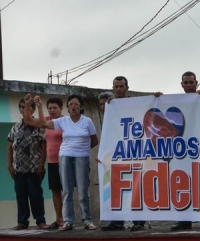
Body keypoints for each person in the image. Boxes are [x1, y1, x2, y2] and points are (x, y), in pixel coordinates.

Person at [24, 94, 98, 231]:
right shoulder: (63, 121)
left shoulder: (87, 121)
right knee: (67, 191)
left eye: (76, 104)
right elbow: (42, 123)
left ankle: (87, 220)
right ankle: (68, 221)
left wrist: (82, 149)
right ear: (68, 108)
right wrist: (39, 106)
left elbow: (94, 140)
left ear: (81, 107)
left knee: (82, 191)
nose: (73, 106)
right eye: (71, 104)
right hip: (64, 156)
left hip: (81, 157)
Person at [170, 71, 200, 231]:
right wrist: (157, 98)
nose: (189, 85)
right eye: (186, 83)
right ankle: (184, 220)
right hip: (183, 152)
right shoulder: (176, 102)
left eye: (191, 82)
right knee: (184, 184)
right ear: (181, 84)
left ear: (197, 83)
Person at [101, 76, 146, 231]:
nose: (119, 89)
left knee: (135, 186)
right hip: (116, 152)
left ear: (127, 87)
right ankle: (117, 221)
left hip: (134, 151)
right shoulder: (111, 105)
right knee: (117, 186)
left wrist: (157, 98)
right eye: (116, 86)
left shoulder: (135, 104)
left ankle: (138, 221)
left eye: (121, 86)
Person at [7, 98, 49, 230]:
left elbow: (44, 147)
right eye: (21, 107)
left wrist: (42, 165)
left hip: (34, 168)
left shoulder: (39, 126)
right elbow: (9, 147)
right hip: (19, 169)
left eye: (26, 107)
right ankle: (22, 221)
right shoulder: (15, 127)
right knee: (21, 195)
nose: (23, 110)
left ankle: (40, 220)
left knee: (36, 195)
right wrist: (9, 165)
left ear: (32, 110)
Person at [44, 97, 64, 229]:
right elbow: (30, 120)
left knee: (67, 190)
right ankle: (59, 219)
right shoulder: (46, 121)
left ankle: (70, 218)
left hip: (65, 161)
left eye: (54, 108)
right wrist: (35, 105)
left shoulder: (66, 121)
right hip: (51, 162)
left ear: (61, 108)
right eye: (50, 108)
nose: (52, 110)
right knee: (55, 190)